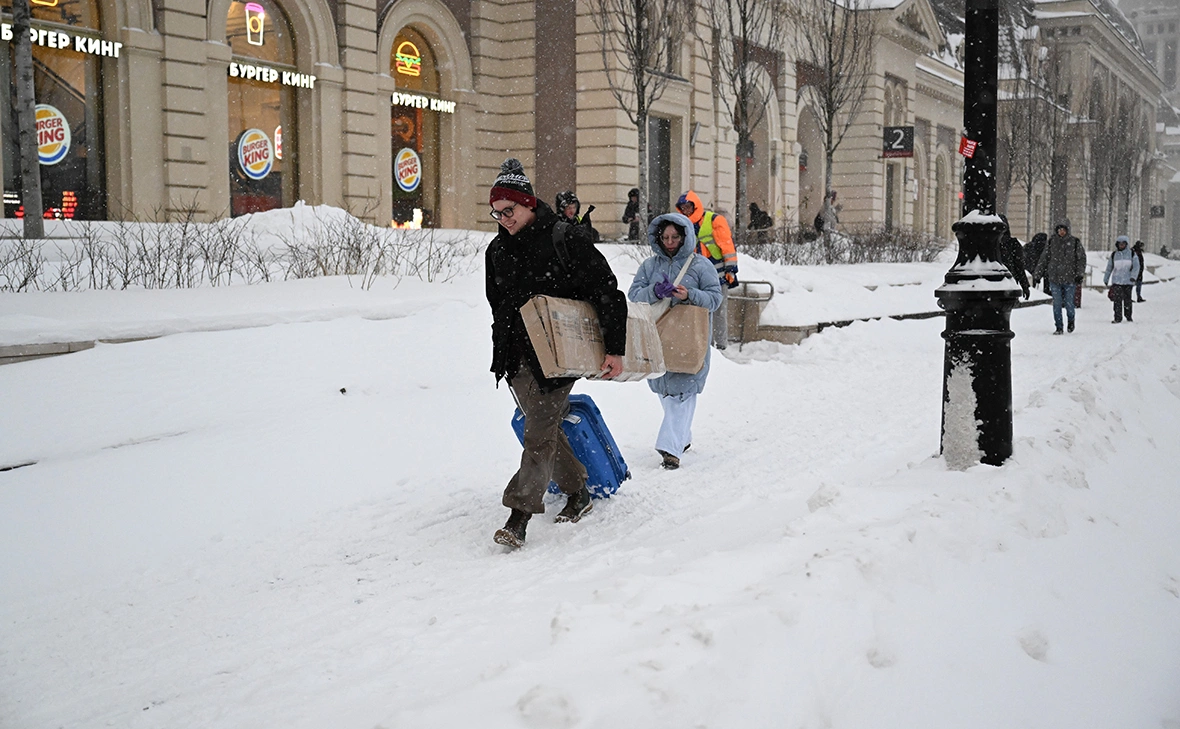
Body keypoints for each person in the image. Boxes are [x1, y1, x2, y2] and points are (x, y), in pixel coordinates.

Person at [485, 158, 628, 549]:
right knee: (543, 431)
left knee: (538, 433)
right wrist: (502, 356)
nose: (503, 219)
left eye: (508, 211)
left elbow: (607, 292)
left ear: (528, 203)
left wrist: (615, 348)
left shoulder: (564, 237)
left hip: (558, 356)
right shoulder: (497, 250)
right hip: (515, 358)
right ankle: (578, 488)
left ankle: (518, 516)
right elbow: (497, 306)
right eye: (496, 213)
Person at [628, 214, 723, 470]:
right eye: (665, 237)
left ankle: (670, 447)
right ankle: (683, 436)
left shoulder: (701, 266)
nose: (670, 242)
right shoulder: (649, 266)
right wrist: (655, 292)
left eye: (675, 237)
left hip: (690, 339)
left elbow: (715, 299)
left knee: (683, 392)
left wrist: (689, 295)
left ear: (685, 237)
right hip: (658, 337)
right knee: (666, 393)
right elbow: (633, 295)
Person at [675, 190, 738, 349]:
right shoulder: (682, 226)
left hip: (718, 275)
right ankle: (705, 345)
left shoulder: (714, 220)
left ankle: (720, 346)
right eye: (683, 208)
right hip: (697, 277)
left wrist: (731, 269)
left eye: (688, 207)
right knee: (701, 312)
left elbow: (727, 246)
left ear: (695, 205)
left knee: (719, 312)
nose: (686, 210)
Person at [1032, 221, 1087, 334]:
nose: (1061, 232)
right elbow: (1044, 259)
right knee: (1057, 304)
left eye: (1063, 229)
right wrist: (1037, 274)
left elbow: (1081, 259)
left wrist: (1079, 274)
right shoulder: (1052, 242)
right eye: (1059, 229)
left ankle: (1071, 320)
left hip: (1070, 278)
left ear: (1067, 230)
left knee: (1069, 303)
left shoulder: (1074, 242)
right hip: (1054, 278)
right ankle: (1059, 327)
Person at [1103, 235, 1141, 324]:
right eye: (1119, 244)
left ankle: (1128, 316)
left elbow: (1136, 266)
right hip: (1117, 281)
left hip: (1128, 281)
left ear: (1126, 244)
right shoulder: (1114, 255)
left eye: (1123, 243)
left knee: (1127, 300)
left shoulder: (1132, 254)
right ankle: (1117, 317)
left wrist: (1133, 277)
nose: (1121, 245)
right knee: (1117, 300)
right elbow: (1109, 267)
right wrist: (1106, 278)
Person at [998, 214, 1030, 300]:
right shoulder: (1013, 243)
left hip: (993, 284)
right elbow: (1019, 266)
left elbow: (1019, 266)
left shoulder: (989, 244)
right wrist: (1024, 285)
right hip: (1009, 281)